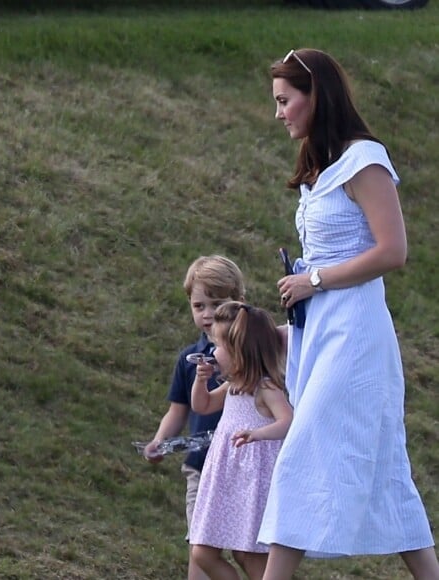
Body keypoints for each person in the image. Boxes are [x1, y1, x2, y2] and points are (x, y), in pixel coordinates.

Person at [257, 48, 439, 580]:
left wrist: (312, 279)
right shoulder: (321, 169)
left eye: (285, 100)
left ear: (317, 96)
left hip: (355, 336)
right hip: (322, 334)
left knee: (300, 455)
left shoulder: (365, 160)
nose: (279, 112)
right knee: (385, 472)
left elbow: (392, 251)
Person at [143, 255, 246, 580]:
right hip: (201, 467)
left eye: (217, 304)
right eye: (199, 305)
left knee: (248, 549)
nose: (208, 314)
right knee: (200, 549)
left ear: (239, 303)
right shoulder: (189, 359)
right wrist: (160, 442)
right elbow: (178, 410)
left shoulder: (253, 353)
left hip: (245, 466)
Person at [190, 302, 293, 580]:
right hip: (226, 477)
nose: (214, 352)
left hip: (252, 481)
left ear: (240, 352)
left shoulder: (264, 387)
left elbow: (288, 421)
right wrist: (201, 381)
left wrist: (258, 434)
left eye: (219, 346)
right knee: (202, 552)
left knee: (249, 556)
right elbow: (203, 405)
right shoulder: (234, 384)